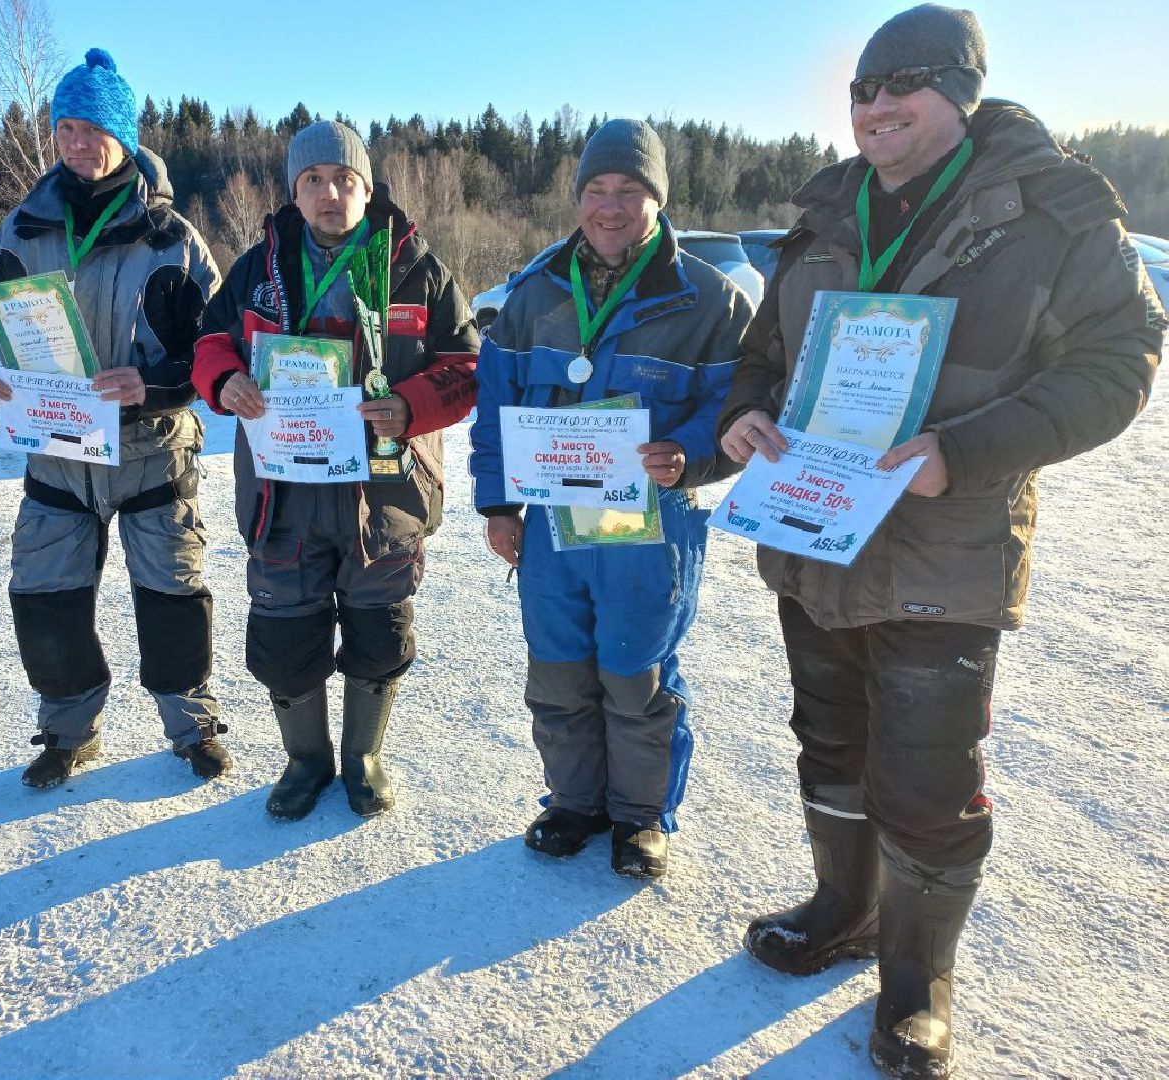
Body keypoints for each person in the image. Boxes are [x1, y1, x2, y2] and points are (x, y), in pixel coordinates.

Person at [717, 6, 1162, 1076]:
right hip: (814, 535)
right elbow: (765, 350)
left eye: (902, 84)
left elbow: (1121, 361)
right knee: (830, 745)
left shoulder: (1050, 211)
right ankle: (844, 909)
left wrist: (962, 451)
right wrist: (745, 412)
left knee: (925, 778)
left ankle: (918, 987)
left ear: (961, 91)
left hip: (943, 553)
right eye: (861, 90)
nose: (876, 107)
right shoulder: (826, 211)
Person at [469, 120, 751, 880]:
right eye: (597, 189)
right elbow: (495, 405)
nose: (611, 206)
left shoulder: (709, 301)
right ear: (578, 197)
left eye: (631, 190)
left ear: (658, 200)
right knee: (558, 672)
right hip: (554, 527)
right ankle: (574, 803)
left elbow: (741, 407)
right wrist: (498, 506)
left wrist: (689, 454)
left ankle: (639, 816)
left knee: (636, 675)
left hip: (650, 526)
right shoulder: (534, 294)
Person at [191, 121, 479, 821]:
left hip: (384, 494)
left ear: (367, 188)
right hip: (283, 492)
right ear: (294, 192)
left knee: (379, 632)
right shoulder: (258, 268)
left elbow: (468, 367)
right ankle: (306, 760)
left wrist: (409, 406)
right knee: (285, 636)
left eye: (344, 180)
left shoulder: (416, 268)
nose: (329, 193)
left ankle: (363, 757)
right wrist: (224, 379)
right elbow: (209, 340)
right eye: (313, 180)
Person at [0, 49, 230, 789]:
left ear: (124, 135)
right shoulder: (21, 229)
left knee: (173, 600)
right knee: (45, 600)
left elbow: (215, 352)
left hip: (151, 452)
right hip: (56, 453)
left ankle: (192, 726)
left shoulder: (172, 238)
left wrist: (151, 385)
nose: (78, 143)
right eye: (66, 129)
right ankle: (66, 732)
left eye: (93, 130)